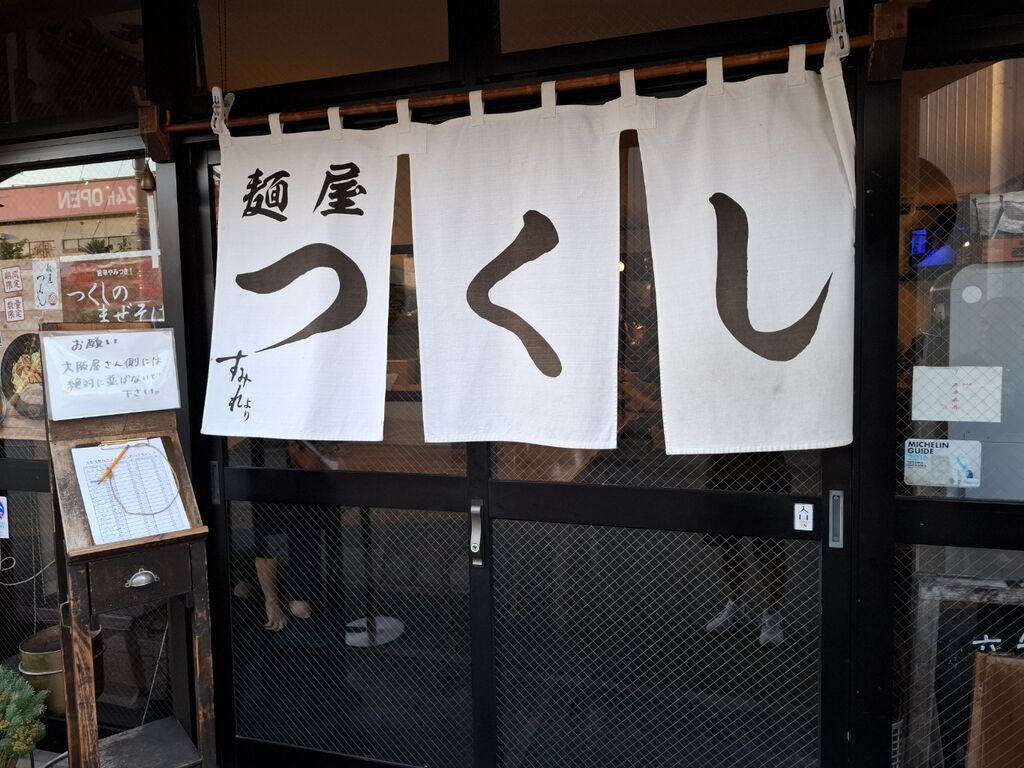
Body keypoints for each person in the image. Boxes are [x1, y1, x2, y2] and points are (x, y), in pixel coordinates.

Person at [704, 452, 791, 647]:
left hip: (767, 466)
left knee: (770, 545)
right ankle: (736, 606)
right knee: (726, 540)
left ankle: (772, 614)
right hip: (722, 463)